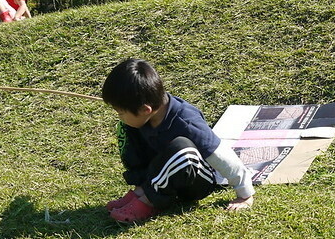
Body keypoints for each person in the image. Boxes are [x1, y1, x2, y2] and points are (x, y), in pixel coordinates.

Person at [101, 58, 255, 223]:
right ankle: (140, 190)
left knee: (182, 149)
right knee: (126, 127)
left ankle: (148, 200)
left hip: (193, 182)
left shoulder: (186, 122)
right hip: (161, 173)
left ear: (146, 109)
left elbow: (222, 156)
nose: (119, 116)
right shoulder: (147, 115)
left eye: (120, 112)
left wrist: (244, 194)